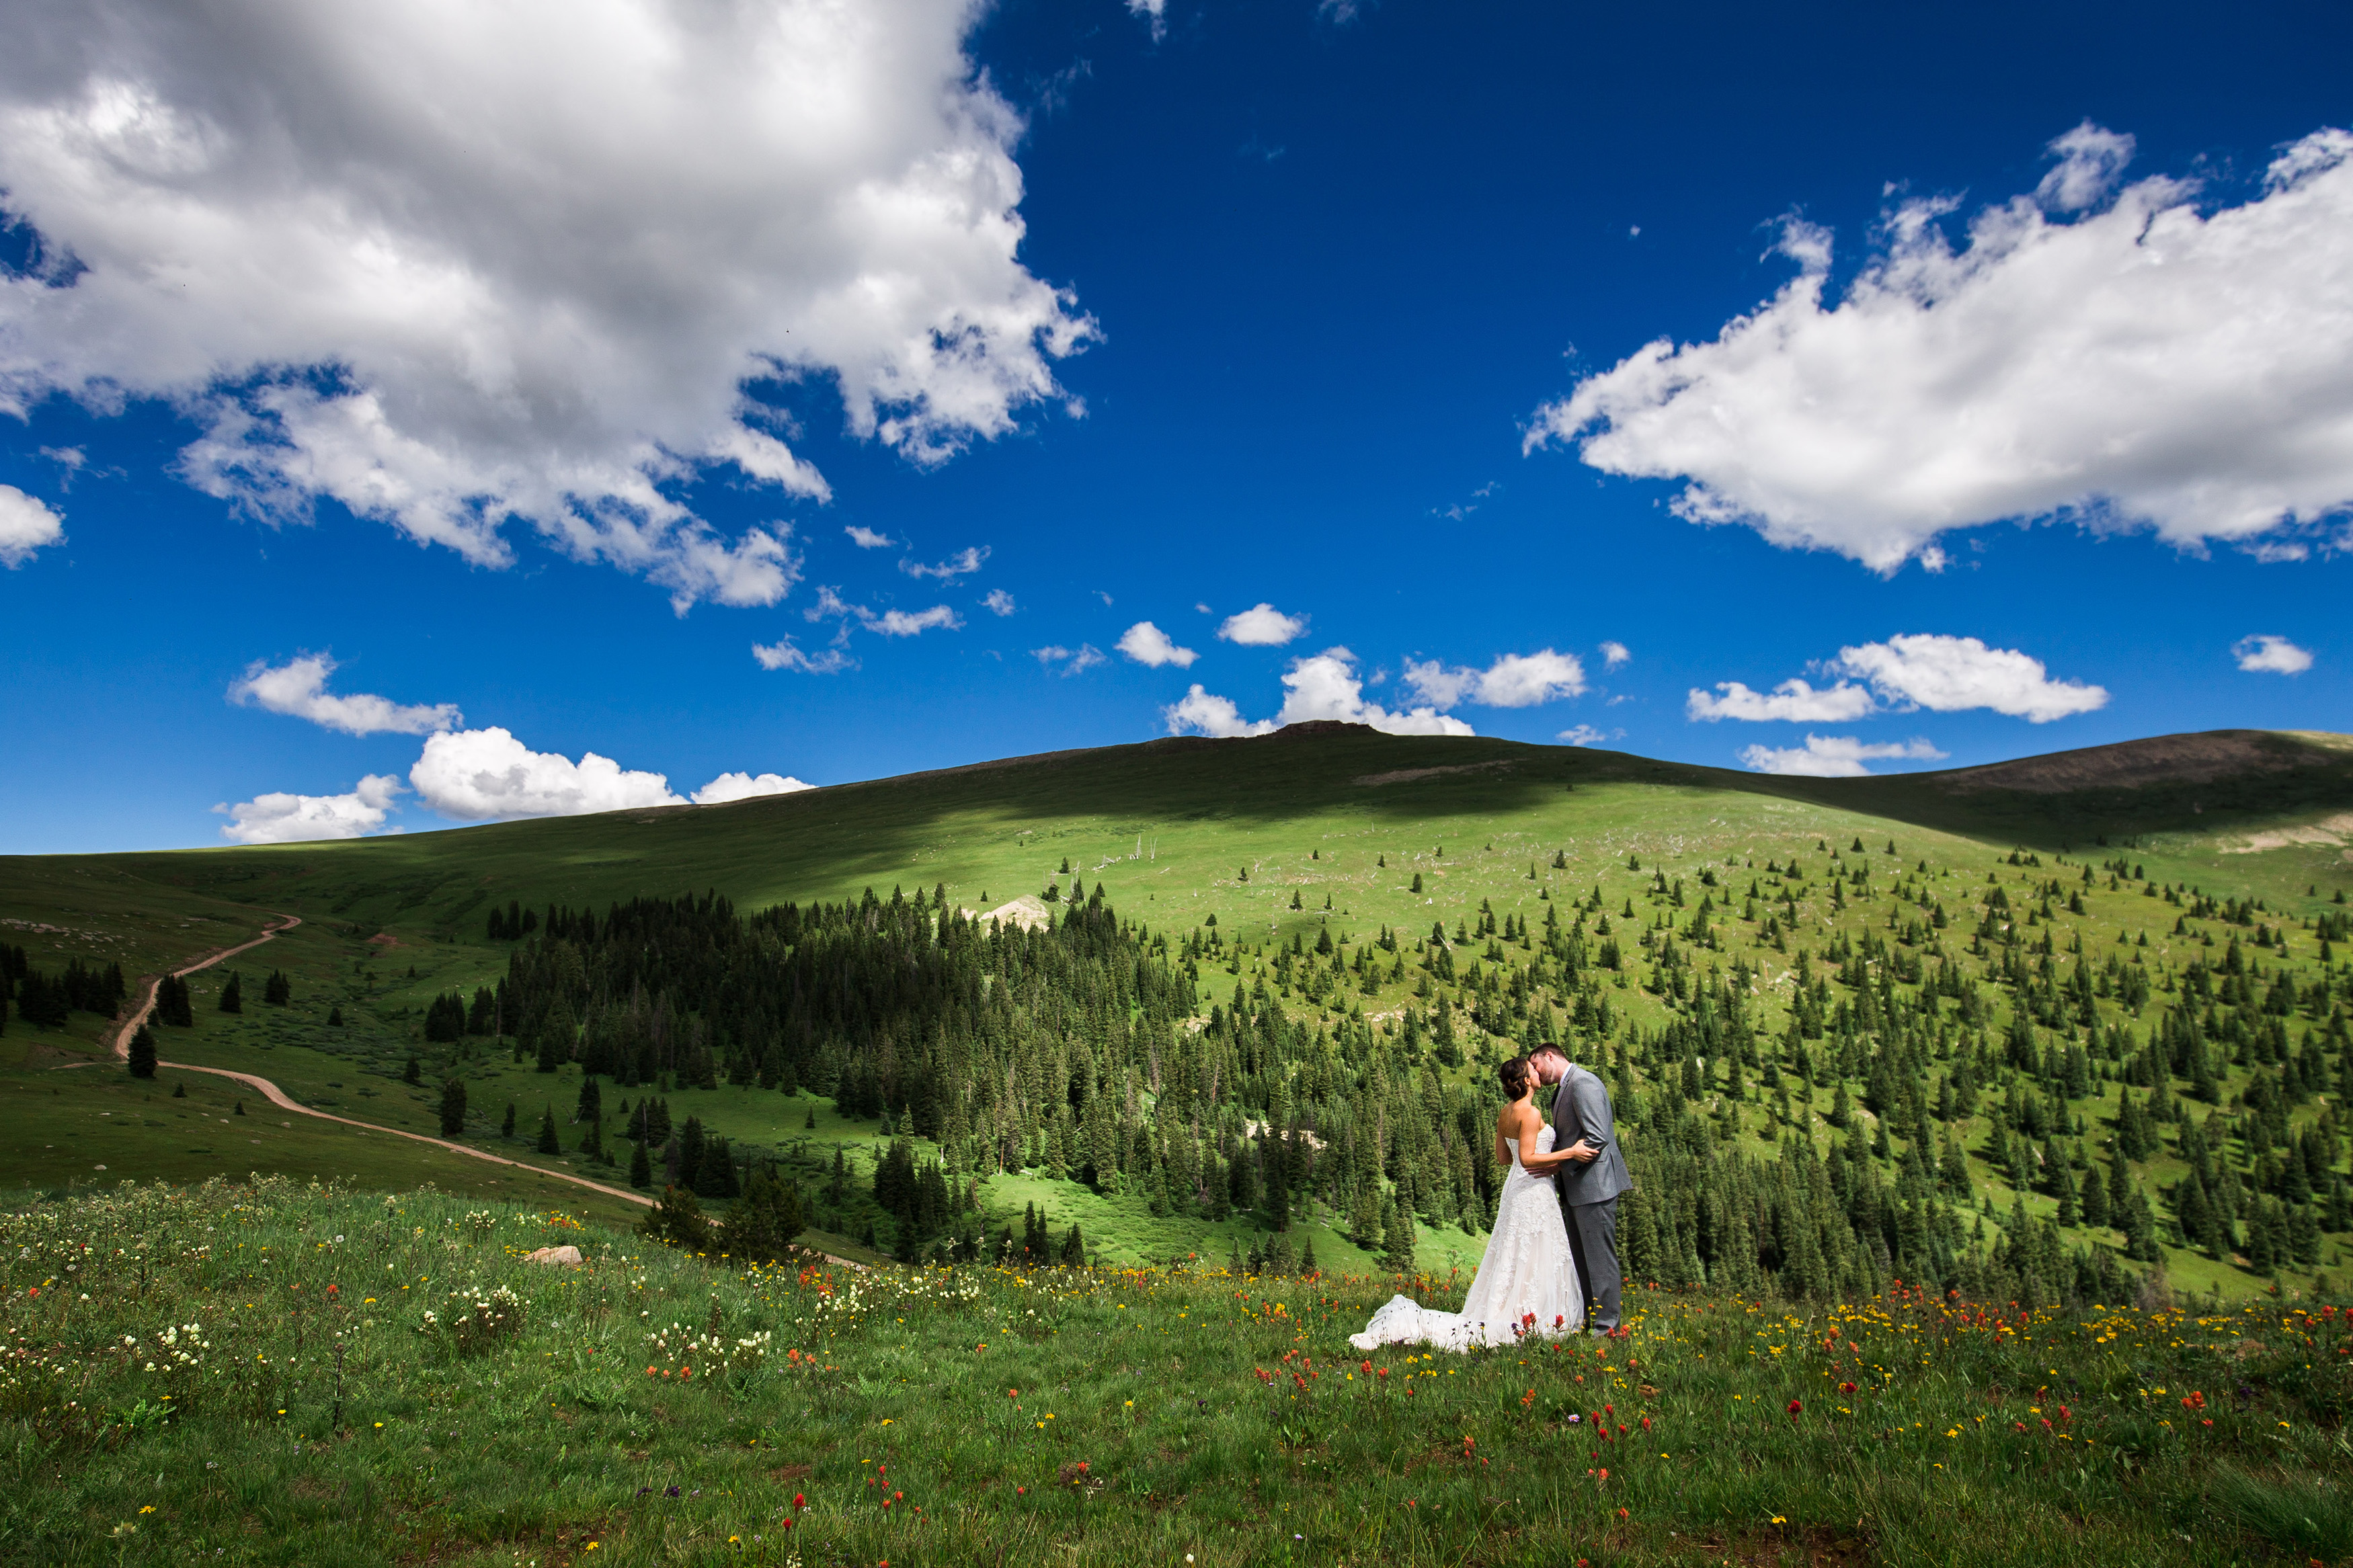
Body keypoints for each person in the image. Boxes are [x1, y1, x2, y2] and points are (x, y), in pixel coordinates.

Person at [1349, 1055, 1583, 1351]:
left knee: (1514, 1251)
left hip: (1514, 1190)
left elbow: (1503, 1158)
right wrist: (1569, 1153)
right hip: (1533, 1190)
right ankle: (1531, 1313)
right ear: (1526, 1081)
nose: (1538, 1073)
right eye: (1533, 1070)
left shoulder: (1505, 1113)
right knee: (1533, 1249)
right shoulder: (1531, 1113)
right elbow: (1527, 1160)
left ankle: (1510, 1308)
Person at [1529, 1043, 1629, 1333]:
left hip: (1595, 1186)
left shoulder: (1583, 1083)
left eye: (1536, 1066)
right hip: (1579, 1187)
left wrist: (1561, 1165)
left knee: (1599, 1259)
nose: (1535, 1074)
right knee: (1582, 1258)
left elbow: (1596, 1137)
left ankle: (1606, 1326)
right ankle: (1591, 1320)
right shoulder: (1565, 1086)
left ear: (1550, 1056)